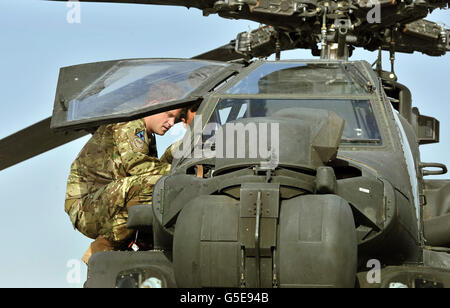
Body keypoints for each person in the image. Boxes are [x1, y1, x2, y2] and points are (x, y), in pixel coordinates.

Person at [65, 81, 185, 263]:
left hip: (107, 199)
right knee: (158, 185)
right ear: (154, 104)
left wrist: (180, 150)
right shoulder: (131, 123)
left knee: (159, 184)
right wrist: (186, 174)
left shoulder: (146, 134)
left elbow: (150, 168)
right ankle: (104, 247)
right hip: (87, 207)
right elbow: (139, 168)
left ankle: (112, 249)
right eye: (169, 116)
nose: (171, 123)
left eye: (175, 119)